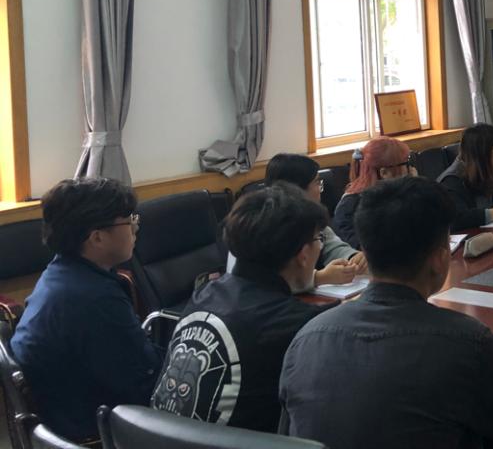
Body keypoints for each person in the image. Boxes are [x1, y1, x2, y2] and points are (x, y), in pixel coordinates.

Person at [279, 177, 493, 449]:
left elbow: (286, 436)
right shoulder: (466, 341)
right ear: (441, 258)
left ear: (366, 249)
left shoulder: (307, 338)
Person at [151, 185, 334, 432]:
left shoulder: (204, 294)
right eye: (318, 239)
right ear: (302, 253)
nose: (320, 247)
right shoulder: (300, 325)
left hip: (155, 437)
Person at [11, 178, 162, 442]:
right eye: (129, 221)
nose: (136, 227)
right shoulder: (94, 299)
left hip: (64, 411)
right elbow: (142, 381)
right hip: (92, 429)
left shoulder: (60, 273)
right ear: (97, 237)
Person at [259, 152, 366, 288]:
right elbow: (265, 280)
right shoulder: (265, 225)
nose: (320, 189)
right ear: (297, 189)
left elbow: (331, 245)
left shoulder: (312, 218)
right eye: (317, 183)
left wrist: (353, 258)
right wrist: (319, 278)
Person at [333, 137, 414, 250]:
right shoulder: (349, 207)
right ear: (384, 173)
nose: (411, 169)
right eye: (406, 164)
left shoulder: (400, 194)